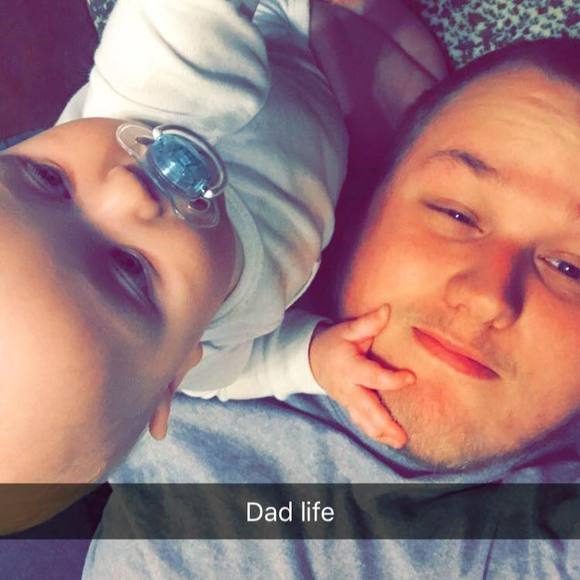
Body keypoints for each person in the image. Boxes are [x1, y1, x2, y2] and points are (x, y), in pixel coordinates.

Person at [81, 36, 580, 577]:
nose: (486, 297)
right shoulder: (164, 317)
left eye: (570, 268)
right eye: (455, 214)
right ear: (365, 202)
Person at [0, 0, 442, 491]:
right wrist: (310, 358)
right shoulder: (199, 355)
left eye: (46, 178)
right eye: (127, 267)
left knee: (429, 95)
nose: (126, 190)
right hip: (330, 145)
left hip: (286, 33)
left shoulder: (155, 84)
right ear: (174, 377)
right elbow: (237, 372)